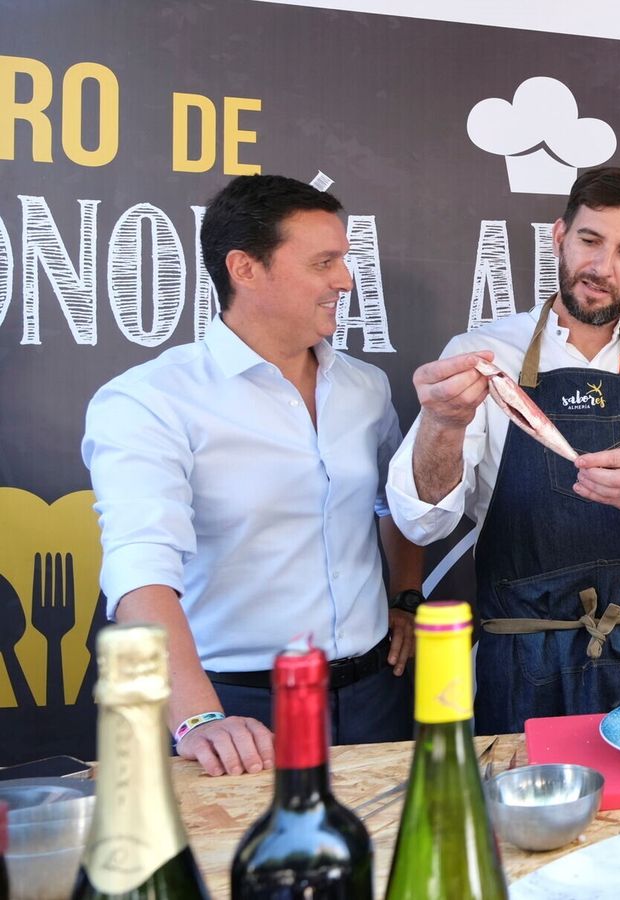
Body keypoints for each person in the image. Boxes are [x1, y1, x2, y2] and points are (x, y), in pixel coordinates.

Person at [83, 174, 424, 776]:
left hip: (379, 696)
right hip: (240, 713)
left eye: (343, 259)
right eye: (325, 262)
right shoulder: (149, 401)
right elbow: (139, 573)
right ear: (245, 268)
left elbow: (394, 502)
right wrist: (197, 718)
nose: (345, 279)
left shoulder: (365, 387)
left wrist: (404, 596)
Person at [387, 167, 620, 733]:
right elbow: (421, 519)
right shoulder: (480, 355)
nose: (602, 268)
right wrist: (443, 424)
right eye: (590, 241)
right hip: (525, 661)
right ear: (559, 237)